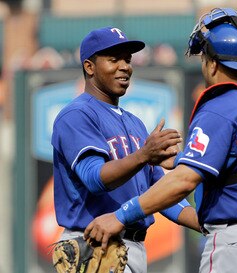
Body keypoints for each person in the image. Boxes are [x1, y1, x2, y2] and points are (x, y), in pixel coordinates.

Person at [84, 9, 237, 273]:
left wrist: (119, 216)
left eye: (204, 58)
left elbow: (183, 182)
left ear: (213, 63)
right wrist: (183, 159)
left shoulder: (221, 104)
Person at [51, 26, 200, 273]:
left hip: (134, 248)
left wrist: (203, 223)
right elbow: (94, 178)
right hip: (94, 245)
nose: (125, 66)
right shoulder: (76, 115)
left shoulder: (135, 123)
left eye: (127, 59)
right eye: (114, 59)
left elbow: (157, 194)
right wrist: (144, 155)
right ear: (89, 67)